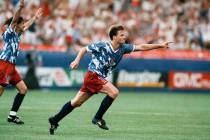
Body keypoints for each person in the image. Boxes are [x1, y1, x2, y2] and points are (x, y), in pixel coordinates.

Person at [48, 24, 172, 134]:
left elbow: (141, 47)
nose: (124, 36)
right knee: (114, 92)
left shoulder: (123, 48)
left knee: (76, 102)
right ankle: (97, 118)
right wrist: (76, 60)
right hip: (93, 75)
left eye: (124, 34)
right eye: (121, 35)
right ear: (114, 37)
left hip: (96, 78)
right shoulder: (103, 45)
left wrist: (160, 45)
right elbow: (84, 49)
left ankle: (55, 119)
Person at [0, 0, 42, 124]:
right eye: (21, 23)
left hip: (11, 67)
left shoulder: (18, 34)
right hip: (4, 65)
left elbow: (27, 25)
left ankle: (12, 116)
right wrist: (20, 8)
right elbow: (14, 20)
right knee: (1, 91)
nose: (24, 25)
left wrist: (34, 17)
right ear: (17, 25)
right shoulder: (10, 32)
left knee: (23, 89)